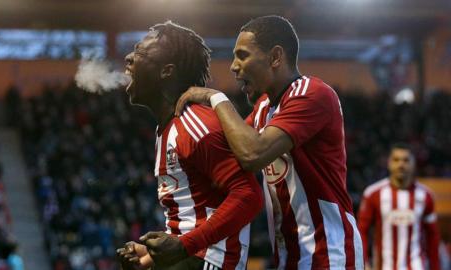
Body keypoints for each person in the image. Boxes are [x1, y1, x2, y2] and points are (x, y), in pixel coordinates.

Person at [175, 15, 364, 269]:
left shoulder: (312, 93)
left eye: (242, 55)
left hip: (329, 256)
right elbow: (232, 150)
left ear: (275, 57)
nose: (233, 66)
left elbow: (252, 154)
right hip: (290, 257)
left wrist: (216, 98)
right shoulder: (264, 107)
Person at [116, 21, 263, 270]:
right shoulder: (169, 127)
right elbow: (191, 216)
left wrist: (183, 247)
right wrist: (151, 257)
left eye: (140, 52)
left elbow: (248, 196)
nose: (129, 58)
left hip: (207, 261)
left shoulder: (195, 122)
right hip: (190, 257)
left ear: (166, 71)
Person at [357, 143, 441, 270]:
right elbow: (361, 231)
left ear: (414, 164)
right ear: (389, 163)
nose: (401, 165)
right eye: (396, 160)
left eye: (406, 160)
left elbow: (432, 238)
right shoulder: (372, 194)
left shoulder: (426, 196)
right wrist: (363, 263)